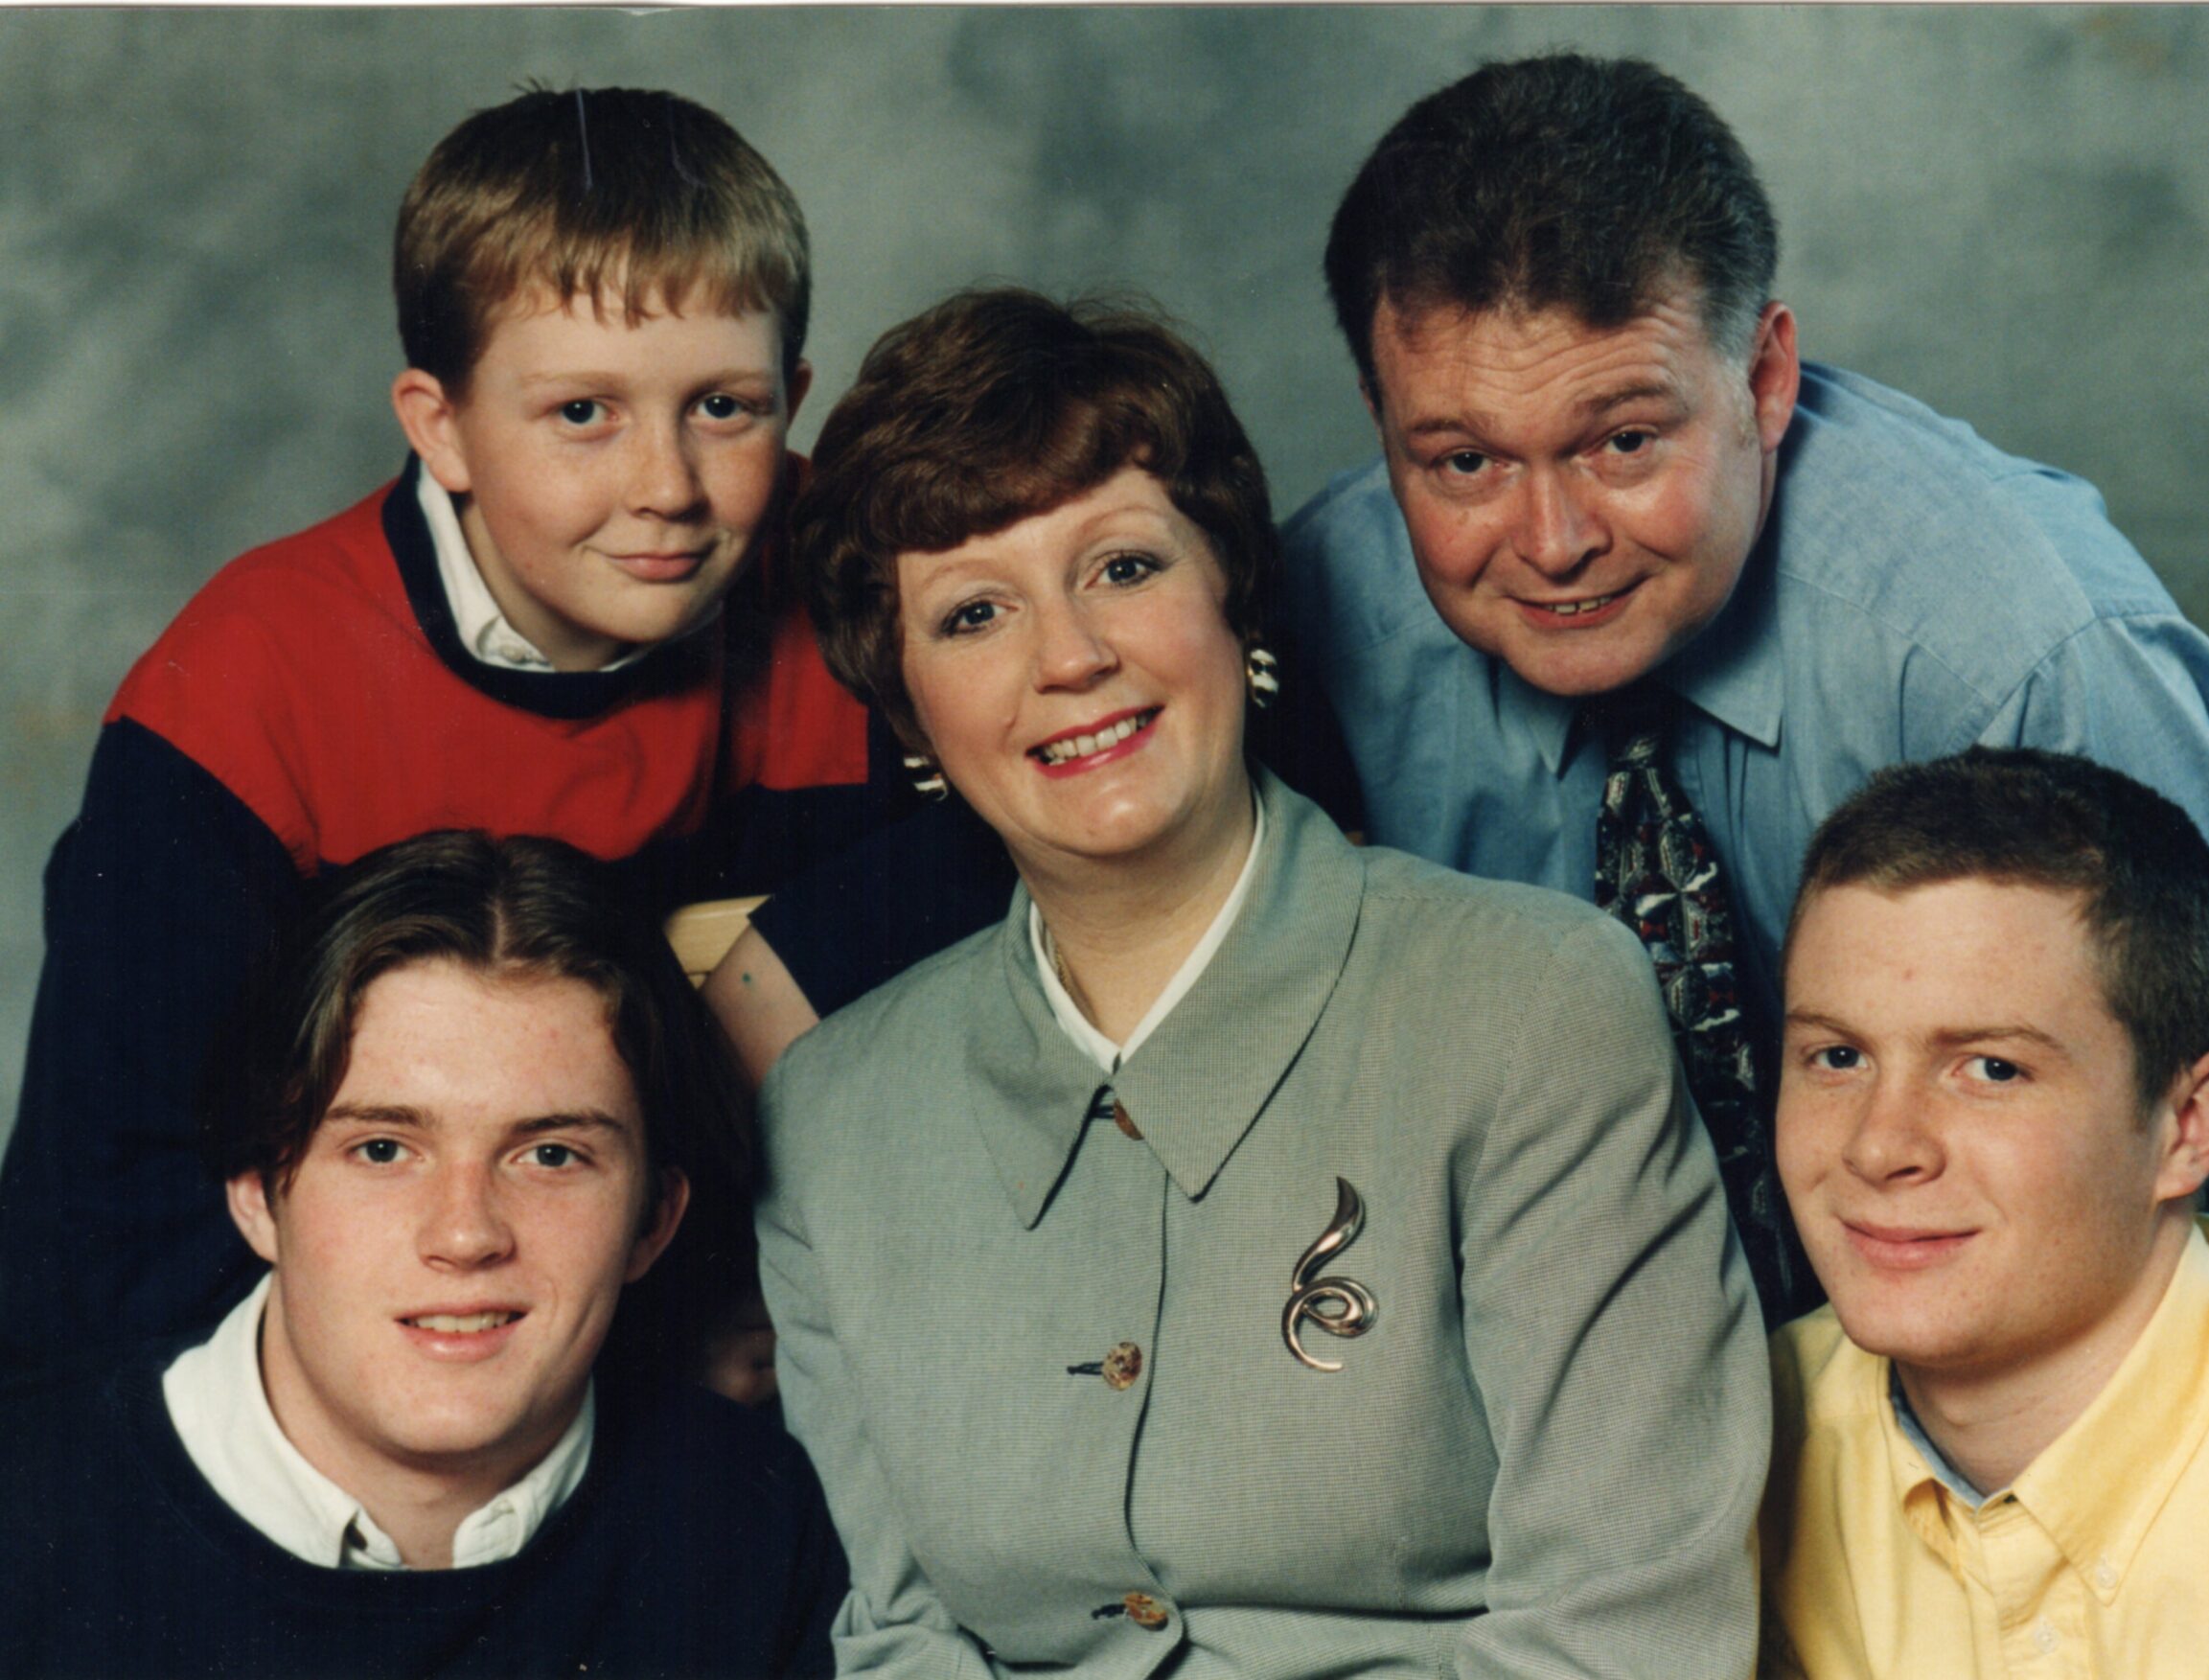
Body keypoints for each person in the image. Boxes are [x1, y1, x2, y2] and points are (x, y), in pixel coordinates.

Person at [758, 288, 1765, 1675]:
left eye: (1122, 568)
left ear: (1230, 594)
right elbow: (895, 1640)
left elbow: (1624, 1634)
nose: (1069, 658)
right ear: (907, 702)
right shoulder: (828, 1115)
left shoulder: (1533, 1006)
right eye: (976, 612)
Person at [1279, 53, 2209, 1316]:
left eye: (1625, 441)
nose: (1549, 542)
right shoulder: (1309, 615)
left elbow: (2188, 1214)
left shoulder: (2026, 658)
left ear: (1763, 381)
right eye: (1463, 462)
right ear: (1382, 420)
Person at [0, 85, 889, 1373]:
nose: (667, 487)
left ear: (794, 396)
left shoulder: (877, 576)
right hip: (409, 1388)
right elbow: (104, 1230)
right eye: (582, 413)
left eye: (725, 408)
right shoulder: (249, 693)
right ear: (442, 425)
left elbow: (1059, 873)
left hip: (771, 1333)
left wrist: (772, 984)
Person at [0, 830, 842, 1677]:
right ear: (256, 1191)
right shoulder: (27, 1519)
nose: (466, 1234)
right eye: (382, 1149)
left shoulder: (761, 1527)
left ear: (655, 1220)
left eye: (550, 1154)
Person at [1759, 748, 2209, 1678]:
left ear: (2188, 1124)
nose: (1879, 1147)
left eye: (1991, 1068)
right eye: (1836, 1056)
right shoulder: (1729, 1445)